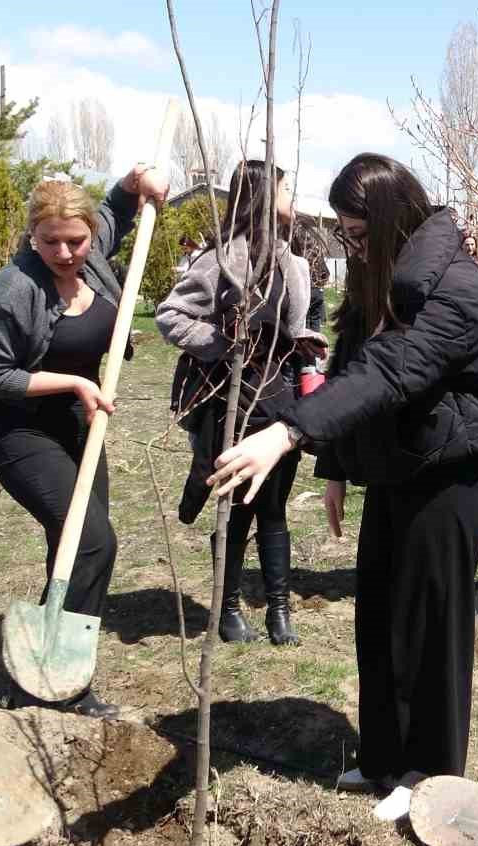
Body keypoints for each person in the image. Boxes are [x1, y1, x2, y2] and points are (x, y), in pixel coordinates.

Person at [209, 153, 478, 822]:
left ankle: (429, 773)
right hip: (404, 461)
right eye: (346, 231)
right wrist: (336, 466)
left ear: (394, 218)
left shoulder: (454, 286)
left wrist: (288, 432)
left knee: (430, 625)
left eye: (358, 231)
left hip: (455, 473)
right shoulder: (386, 276)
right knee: (378, 612)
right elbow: (352, 361)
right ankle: (381, 757)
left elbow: (394, 373)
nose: (351, 244)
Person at [0, 165, 170, 719]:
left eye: (75, 241)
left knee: (73, 544)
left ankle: (47, 672)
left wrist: (135, 181)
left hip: (82, 428)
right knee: (93, 542)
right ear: (32, 236)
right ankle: (58, 682)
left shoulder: (92, 252)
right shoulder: (13, 290)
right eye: (49, 241)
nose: (64, 252)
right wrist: (76, 381)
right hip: (24, 431)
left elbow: (115, 209)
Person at [157, 160, 323, 646]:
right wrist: (226, 341)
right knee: (236, 507)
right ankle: (227, 609)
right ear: (266, 195)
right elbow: (170, 316)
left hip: (281, 395)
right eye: (287, 187)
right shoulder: (223, 259)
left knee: (275, 507)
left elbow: (294, 327)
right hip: (233, 397)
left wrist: (306, 339)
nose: (293, 194)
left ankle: (279, 611)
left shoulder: (295, 261)